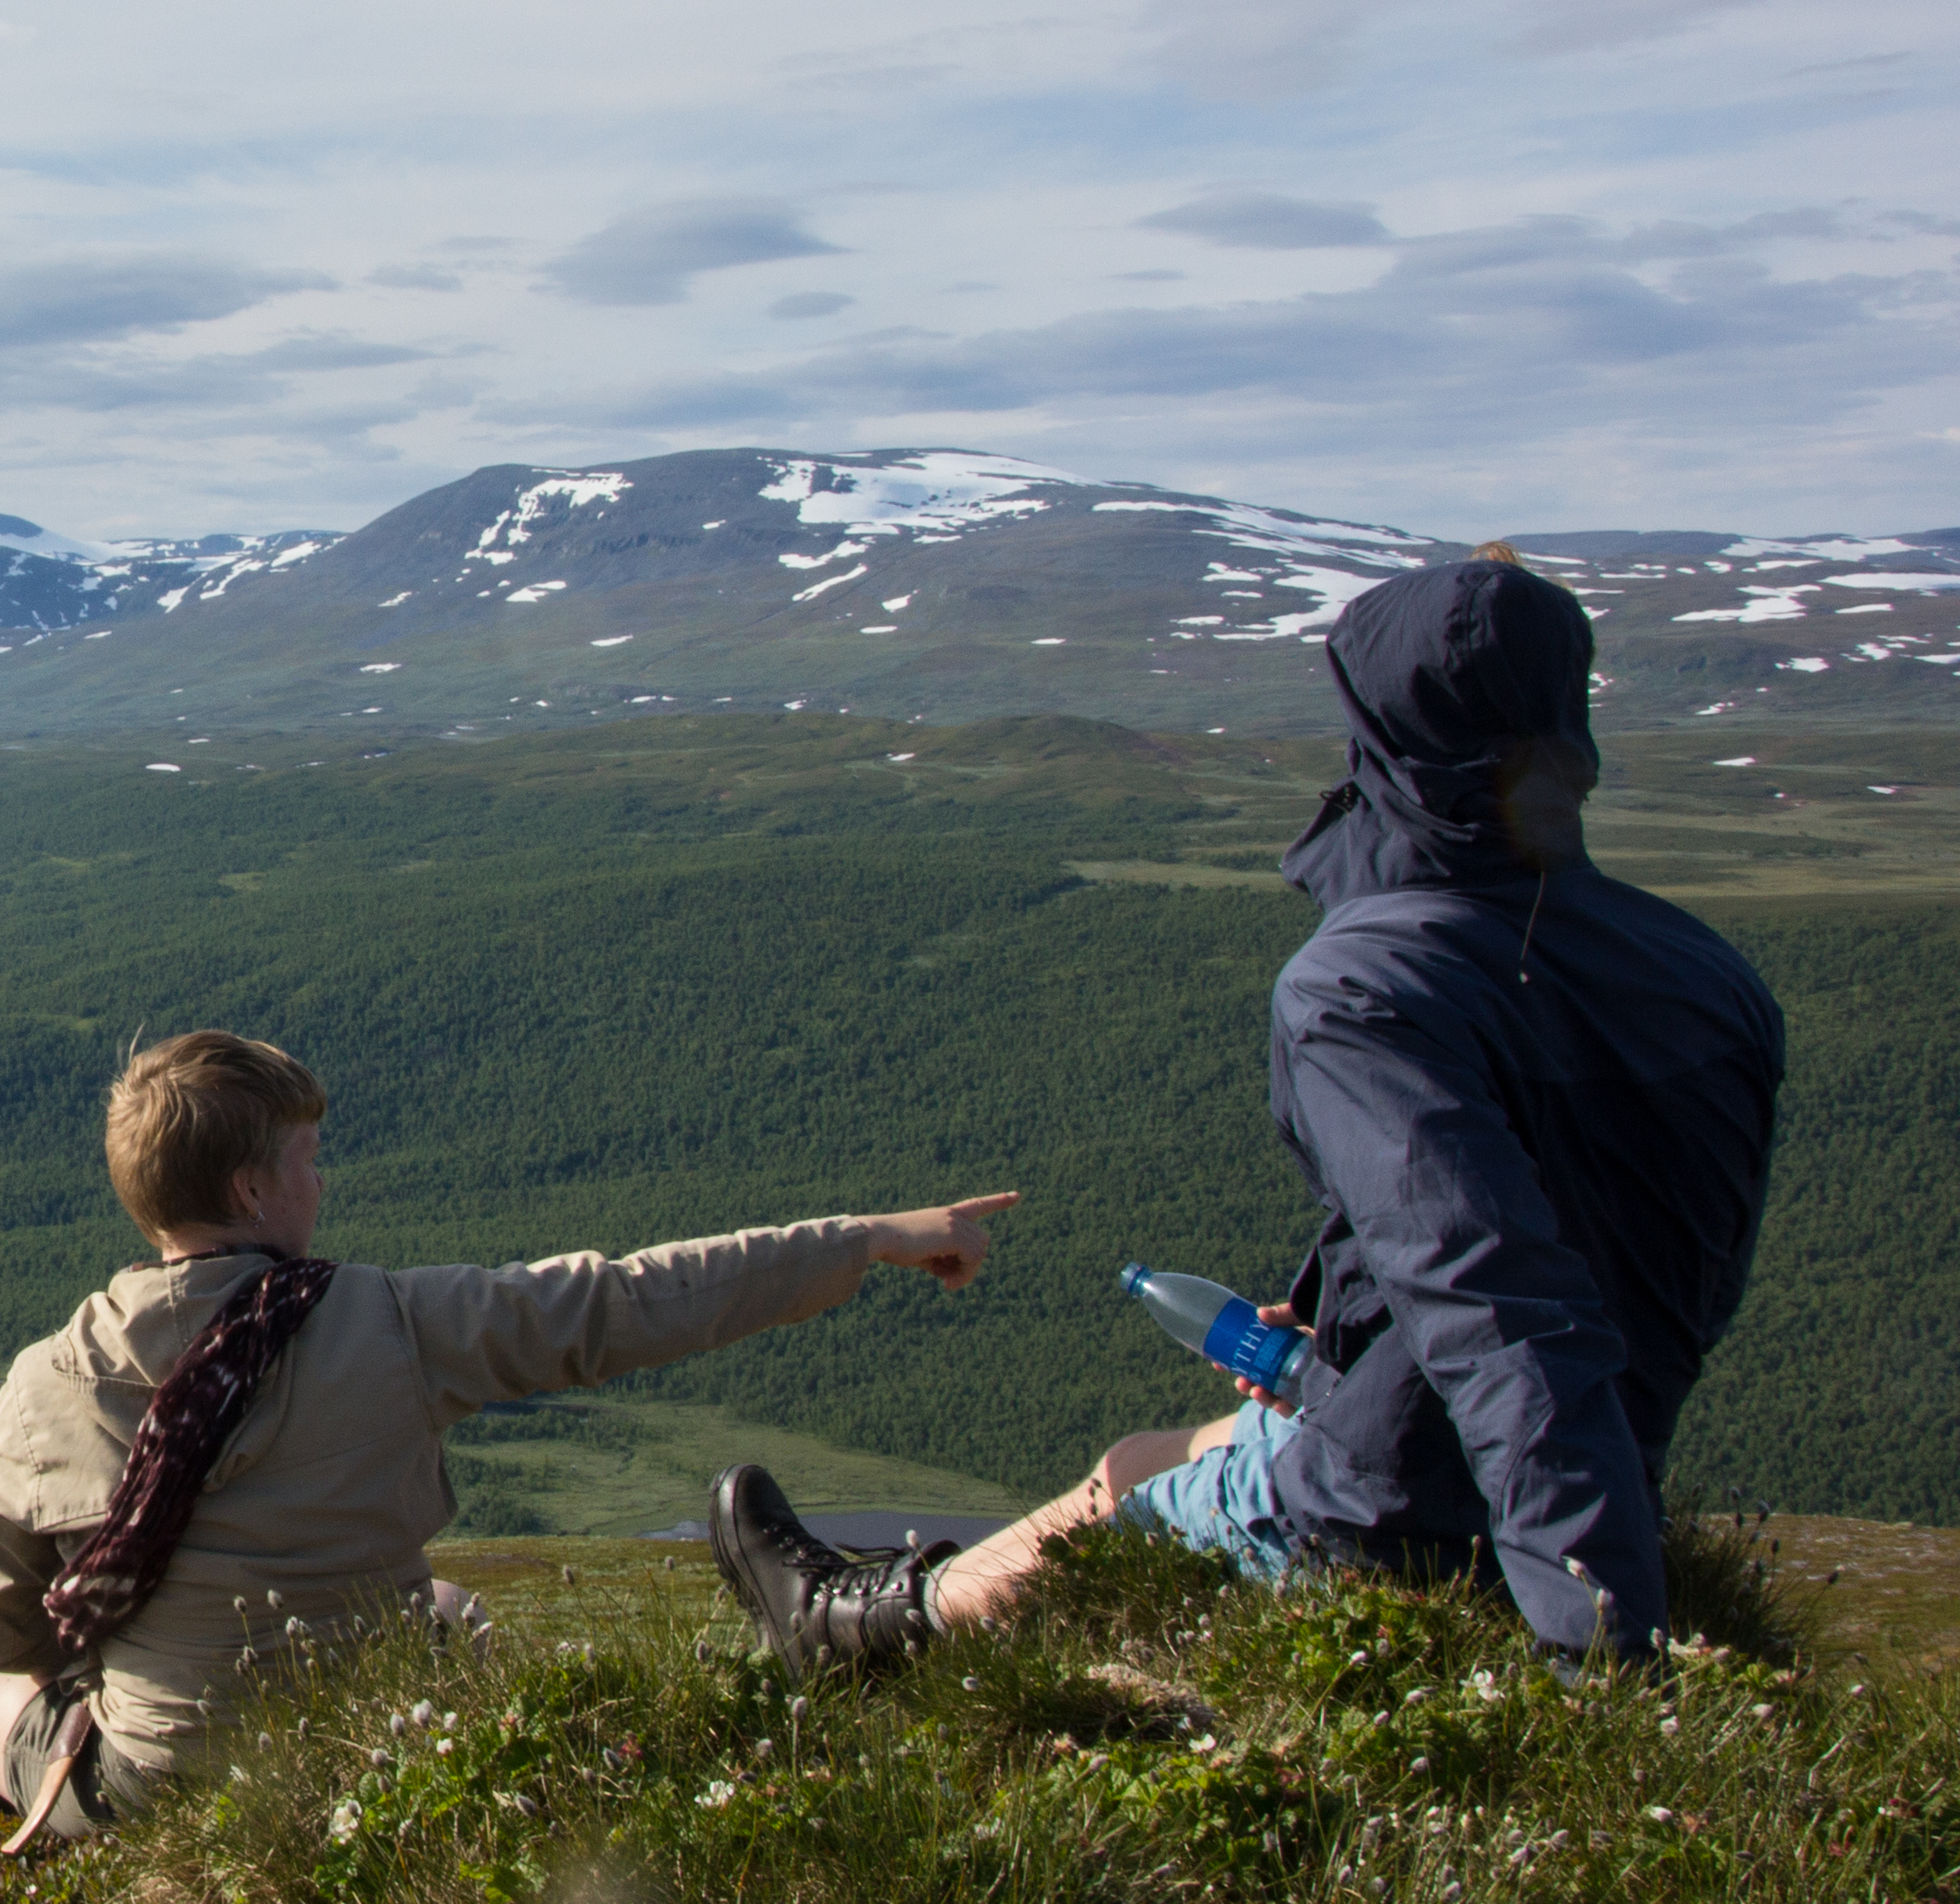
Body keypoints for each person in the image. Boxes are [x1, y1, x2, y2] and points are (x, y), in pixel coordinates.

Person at [715, 548, 1786, 1677]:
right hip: (1591, 1458)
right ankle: (889, 1604)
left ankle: (864, 1631)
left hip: (1413, 1513)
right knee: (1137, 1456)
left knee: (1109, 1524)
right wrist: (1351, 1328)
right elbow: (1641, 1263)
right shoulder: (1711, 974)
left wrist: (1602, 1652)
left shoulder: (1363, 986)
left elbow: (1504, 1320)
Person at [0, 1029, 1016, 1844]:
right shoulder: (394, 1322)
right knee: (436, 1600)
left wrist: (76, 1665)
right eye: (309, 1160)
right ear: (255, 1186)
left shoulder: (50, 1380)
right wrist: (872, 1240)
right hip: (384, 1746)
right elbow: (636, 1298)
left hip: (159, 1789)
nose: (324, 1183)